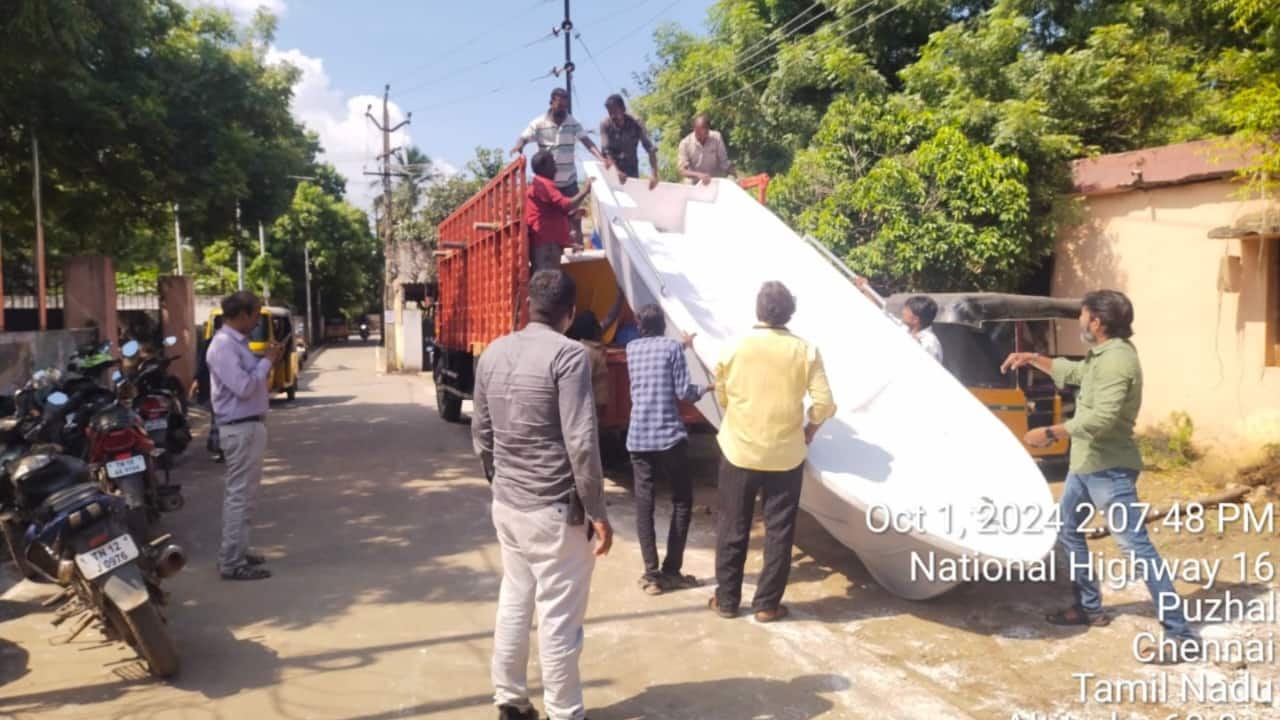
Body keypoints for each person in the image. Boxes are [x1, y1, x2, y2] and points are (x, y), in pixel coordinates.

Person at [1001, 290, 1198, 662]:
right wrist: (1033, 358)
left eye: (1083, 315)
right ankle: (1089, 608)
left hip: (1109, 470)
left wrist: (1052, 432)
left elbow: (1102, 418)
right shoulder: (1102, 355)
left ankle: (1180, 635)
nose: (1080, 321)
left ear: (1096, 321)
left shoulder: (1118, 360)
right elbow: (1076, 373)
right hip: (1086, 466)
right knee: (1067, 528)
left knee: (1137, 549)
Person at [472, 270, 614, 720]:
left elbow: (481, 434)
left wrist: (500, 481)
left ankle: (510, 701)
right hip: (554, 511)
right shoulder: (569, 356)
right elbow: (581, 443)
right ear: (569, 313)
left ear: (529, 305)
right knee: (559, 617)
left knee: (515, 600)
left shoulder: (493, 353)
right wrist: (598, 511)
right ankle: (565, 712)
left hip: (508, 505)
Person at [711, 282, 836, 623]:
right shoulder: (806, 350)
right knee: (779, 529)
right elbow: (824, 403)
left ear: (758, 310)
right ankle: (767, 604)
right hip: (786, 453)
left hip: (739, 448)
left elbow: (722, 393)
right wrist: (810, 429)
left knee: (732, 525)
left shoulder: (734, 346)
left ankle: (727, 600)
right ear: (790, 313)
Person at [625, 304, 714, 596]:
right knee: (682, 500)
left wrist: (682, 346)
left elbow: (657, 357)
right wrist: (707, 388)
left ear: (639, 325)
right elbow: (683, 392)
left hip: (638, 437)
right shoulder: (671, 349)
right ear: (663, 324)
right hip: (669, 438)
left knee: (644, 505)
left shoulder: (632, 349)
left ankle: (651, 576)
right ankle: (672, 570)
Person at [206, 291, 282, 581]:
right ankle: (231, 561)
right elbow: (244, 387)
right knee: (239, 496)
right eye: (255, 315)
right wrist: (267, 362)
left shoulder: (237, 344)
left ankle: (237, 550)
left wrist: (265, 361)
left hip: (248, 426)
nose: (256, 321)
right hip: (239, 427)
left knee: (246, 496)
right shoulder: (223, 346)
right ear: (242, 314)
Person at [513, 88, 607, 246]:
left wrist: (600, 157)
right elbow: (524, 137)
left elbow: (587, 141)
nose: (563, 109)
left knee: (575, 219)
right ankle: (550, 249)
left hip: (568, 181)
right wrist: (519, 146)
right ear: (551, 103)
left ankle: (578, 252)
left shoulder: (572, 123)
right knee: (549, 220)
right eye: (560, 106)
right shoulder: (539, 123)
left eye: (565, 106)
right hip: (548, 186)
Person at [526, 150, 594, 271]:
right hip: (547, 244)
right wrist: (585, 190)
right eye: (552, 163)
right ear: (544, 166)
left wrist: (571, 215)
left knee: (545, 276)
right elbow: (565, 204)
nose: (556, 168)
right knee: (547, 278)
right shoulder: (544, 184)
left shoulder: (539, 184)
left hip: (545, 243)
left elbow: (551, 211)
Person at [599, 94, 659, 190]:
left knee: (634, 194)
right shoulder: (605, 125)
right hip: (612, 169)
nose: (612, 116)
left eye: (615, 111)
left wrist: (654, 174)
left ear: (623, 109)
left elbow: (650, 149)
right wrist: (615, 171)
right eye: (610, 112)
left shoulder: (636, 122)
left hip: (631, 168)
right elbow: (606, 151)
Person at [565, 310, 610, 418]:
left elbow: (609, 319)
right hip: (588, 410)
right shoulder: (586, 352)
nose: (600, 328)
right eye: (597, 325)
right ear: (593, 331)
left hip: (593, 408)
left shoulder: (591, 348)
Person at [677, 115, 734, 185]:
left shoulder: (717, 137)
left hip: (715, 178)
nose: (702, 137)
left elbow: (724, 162)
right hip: (695, 179)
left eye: (705, 134)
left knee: (731, 181)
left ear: (708, 129)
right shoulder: (685, 144)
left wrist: (735, 175)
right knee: (687, 183)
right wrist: (698, 175)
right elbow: (682, 170)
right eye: (699, 135)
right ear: (694, 129)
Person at [902, 295, 943, 363]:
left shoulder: (929, 343)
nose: (903, 312)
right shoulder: (905, 331)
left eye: (907, 310)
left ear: (915, 319)